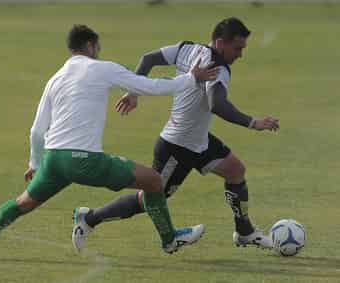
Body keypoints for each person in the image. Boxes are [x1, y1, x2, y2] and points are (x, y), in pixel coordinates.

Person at [0, 24, 218, 259]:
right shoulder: (102, 69)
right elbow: (149, 86)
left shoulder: (55, 79)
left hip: (53, 159)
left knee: (23, 203)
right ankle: (170, 239)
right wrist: (190, 78)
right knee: (153, 180)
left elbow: (36, 130)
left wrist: (34, 163)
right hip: (84, 160)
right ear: (90, 45)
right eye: (97, 46)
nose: (99, 51)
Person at [72, 18, 280, 253]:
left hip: (199, 141)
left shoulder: (187, 48)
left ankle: (244, 232)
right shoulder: (217, 68)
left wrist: (133, 92)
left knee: (235, 171)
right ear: (221, 43)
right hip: (177, 146)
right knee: (149, 198)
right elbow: (217, 104)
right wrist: (254, 123)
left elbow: (148, 59)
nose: (240, 54)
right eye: (238, 48)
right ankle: (89, 218)